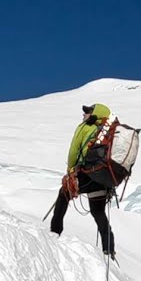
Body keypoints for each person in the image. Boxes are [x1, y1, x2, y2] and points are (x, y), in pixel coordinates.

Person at [50, 103, 118, 258]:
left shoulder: (85, 127)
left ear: (95, 114)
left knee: (64, 194)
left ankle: (54, 233)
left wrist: (70, 171)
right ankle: (109, 249)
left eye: (88, 112)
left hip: (86, 174)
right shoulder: (110, 131)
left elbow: (74, 150)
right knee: (98, 212)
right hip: (103, 180)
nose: (84, 114)